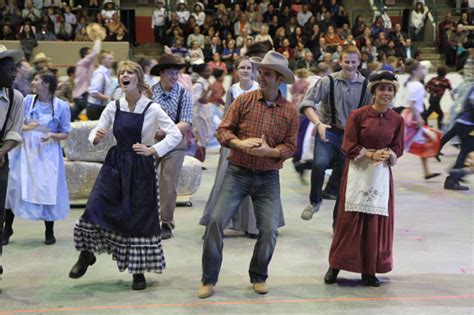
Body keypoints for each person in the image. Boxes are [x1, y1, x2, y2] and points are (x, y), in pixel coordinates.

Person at [68, 61, 182, 290]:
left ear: (138, 79)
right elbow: (98, 129)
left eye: (129, 72)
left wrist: (153, 149)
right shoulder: (114, 106)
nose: (124, 76)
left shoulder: (152, 108)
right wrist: (96, 137)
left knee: (137, 217)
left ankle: (137, 272)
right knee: (95, 206)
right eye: (121, 73)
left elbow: (175, 134)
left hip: (140, 167)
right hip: (116, 164)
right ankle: (86, 254)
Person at [198, 51, 298, 299]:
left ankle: (259, 274)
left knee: (269, 230)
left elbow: (290, 146)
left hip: (267, 178)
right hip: (238, 172)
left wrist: (270, 152)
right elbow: (223, 130)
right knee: (215, 221)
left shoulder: (290, 111)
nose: (261, 77)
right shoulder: (243, 101)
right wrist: (239, 144)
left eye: (267, 74)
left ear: (279, 79)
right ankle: (208, 278)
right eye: (260, 73)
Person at [324, 70, 404, 287]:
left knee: (375, 223)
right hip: (358, 172)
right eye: (381, 89)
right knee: (349, 222)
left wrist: (389, 154)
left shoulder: (397, 119)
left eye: (389, 89)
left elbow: (398, 147)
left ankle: (369, 270)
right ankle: (335, 266)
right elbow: (348, 144)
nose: (385, 93)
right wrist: (369, 154)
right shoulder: (358, 115)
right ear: (374, 91)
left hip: (381, 175)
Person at [299, 45, 372, 225]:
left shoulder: (366, 86)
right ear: (340, 61)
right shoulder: (327, 81)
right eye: (346, 62)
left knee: (343, 180)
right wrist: (318, 123)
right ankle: (315, 201)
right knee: (319, 164)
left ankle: (336, 223)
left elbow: (371, 112)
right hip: (328, 130)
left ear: (359, 62)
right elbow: (307, 103)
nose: (349, 65)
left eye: (353, 62)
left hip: (351, 137)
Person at [3, 71, 71, 246]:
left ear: (47, 84)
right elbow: (14, 122)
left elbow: (65, 133)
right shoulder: (26, 101)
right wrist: (26, 127)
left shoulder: (61, 106)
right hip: (24, 149)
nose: (33, 83)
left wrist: (51, 136)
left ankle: (49, 230)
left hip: (47, 151)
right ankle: (7, 228)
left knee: (46, 188)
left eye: (36, 80)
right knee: (14, 187)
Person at [150, 54, 193, 240]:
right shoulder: (149, 93)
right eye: (170, 73)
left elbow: (186, 121)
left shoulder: (184, 93)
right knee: (143, 178)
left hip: (174, 143)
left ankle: (166, 223)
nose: (174, 76)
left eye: (176, 73)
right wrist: (154, 131)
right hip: (151, 141)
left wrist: (166, 131)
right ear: (161, 73)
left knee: (168, 181)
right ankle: (145, 220)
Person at [0, 45, 25, 264]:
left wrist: (2, 151)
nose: (14, 74)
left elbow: (15, 131)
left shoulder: (16, 98)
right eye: (9, 70)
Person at [402, 61, 441, 180]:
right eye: (420, 69)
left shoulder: (411, 83)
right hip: (414, 117)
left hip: (411, 115)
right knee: (403, 144)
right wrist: (418, 118)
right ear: (414, 71)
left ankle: (427, 172)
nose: (423, 71)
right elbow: (413, 103)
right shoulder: (416, 85)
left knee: (424, 142)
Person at [441, 84, 474, 190]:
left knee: (465, 151)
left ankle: (455, 174)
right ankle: (454, 176)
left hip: (464, 122)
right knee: (466, 151)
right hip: (466, 124)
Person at [71, 40, 101, 121]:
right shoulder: (84, 62)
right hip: (83, 94)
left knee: (71, 117)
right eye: (89, 53)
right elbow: (96, 52)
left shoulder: (86, 65)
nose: (91, 55)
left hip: (79, 95)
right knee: (95, 112)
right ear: (85, 55)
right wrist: (98, 39)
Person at [87, 49, 114, 120]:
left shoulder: (106, 72)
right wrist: (108, 98)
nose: (112, 60)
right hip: (96, 108)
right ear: (102, 60)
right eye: (110, 59)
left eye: (112, 58)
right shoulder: (100, 73)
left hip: (100, 106)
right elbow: (93, 92)